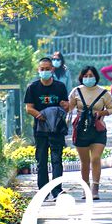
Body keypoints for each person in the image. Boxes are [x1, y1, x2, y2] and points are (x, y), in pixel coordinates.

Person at [25, 57, 70, 198]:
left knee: (57, 160)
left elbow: (66, 106)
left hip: (57, 129)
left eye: (47, 69)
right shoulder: (32, 87)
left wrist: (65, 106)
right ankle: (43, 191)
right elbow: (29, 108)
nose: (45, 71)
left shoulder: (60, 87)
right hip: (40, 129)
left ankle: (57, 190)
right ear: (38, 70)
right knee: (42, 160)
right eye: (42, 69)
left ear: (52, 70)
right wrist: (39, 115)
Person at [68, 66, 112, 199]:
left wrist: (101, 113)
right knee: (84, 161)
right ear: (81, 77)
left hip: (98, 129)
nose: (88, 78)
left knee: (95, 158)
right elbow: (69, 107)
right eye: (86, 76)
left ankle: (95, 188)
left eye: (91, 75)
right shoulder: (76, 91)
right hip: (81, 129)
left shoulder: (103, 92)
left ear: (96, 76)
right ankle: (85, 188)